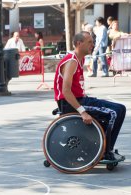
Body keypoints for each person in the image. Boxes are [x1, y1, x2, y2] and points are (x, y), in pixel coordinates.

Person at [53, 31, 126, 161]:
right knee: (115, 112)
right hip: (70, 104)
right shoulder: (71, 62)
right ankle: (104, 152)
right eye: (90, 42)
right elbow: (66, 91)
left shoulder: (79, 60)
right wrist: (82, 112)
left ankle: (101, 147)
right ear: (79, 43)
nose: (92, 45)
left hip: (80, 100)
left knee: (120, 108)